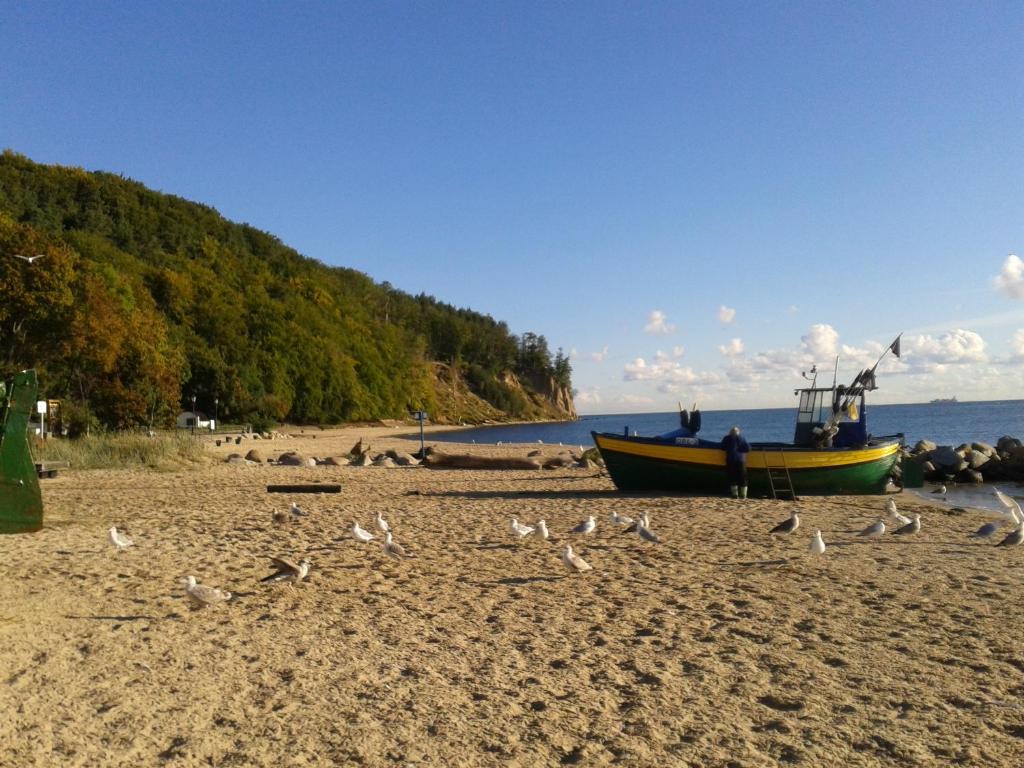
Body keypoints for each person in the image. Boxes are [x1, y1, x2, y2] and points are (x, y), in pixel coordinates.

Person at [721, 426, 751, 499]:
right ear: (738, 432)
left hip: (731, 460)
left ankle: (735, 495)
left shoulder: (727, 438)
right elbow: (748, 448)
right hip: (741, 460)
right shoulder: (742, 438)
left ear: (730, 432)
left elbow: (722, 447)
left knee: (732, 477)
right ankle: (743, 495)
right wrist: (741, 451)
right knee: (743, 477)